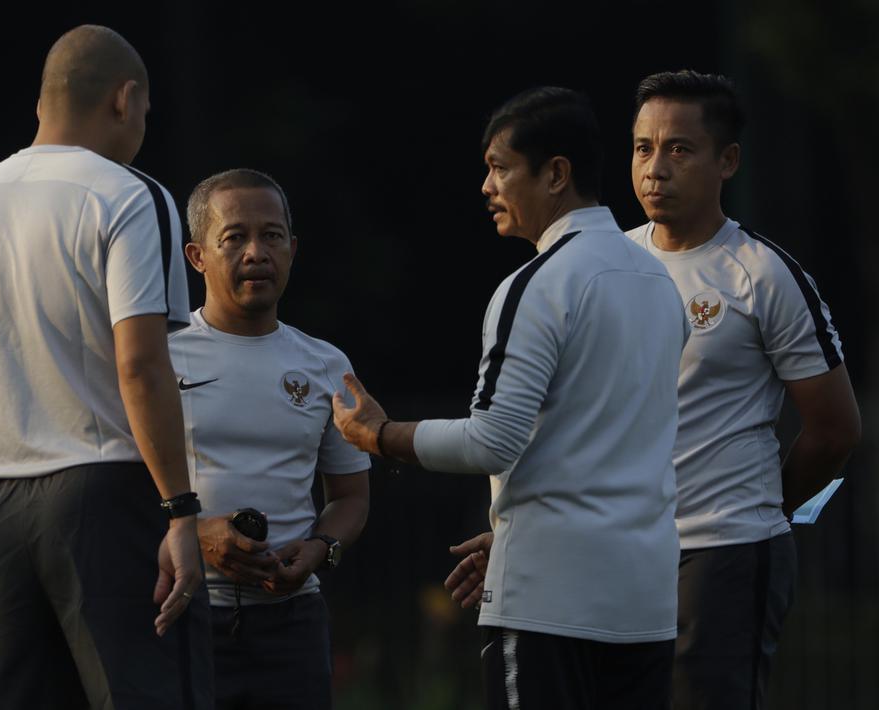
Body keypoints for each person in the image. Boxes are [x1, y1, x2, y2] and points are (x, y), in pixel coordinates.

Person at [332, 87, 688, 709]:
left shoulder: (538, 283)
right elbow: (614, 445)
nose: (486, 186)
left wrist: (379, 435)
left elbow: (491, 440)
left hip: (549, 601)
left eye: (500, 167)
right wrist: (511, 533)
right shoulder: (658, 280)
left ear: (556, 174)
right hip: (646, 602)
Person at [0, 25, 211, 709]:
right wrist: (179, 512)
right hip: (103, 493)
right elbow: (141, 365)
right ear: (124, 99)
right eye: (144, 112)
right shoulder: (130, 196)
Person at [626, 69, 861, 709]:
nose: (655, 169)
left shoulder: (763, 275)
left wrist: (761, 509)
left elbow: (836, 430)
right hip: (618, 547)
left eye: (679, 149)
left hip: (723, 551)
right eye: (643, 148)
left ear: (727, 161)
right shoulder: (606, 266)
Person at [171, 169, 371, 710]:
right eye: (234, 237)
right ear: (197, 256)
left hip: (292, 624)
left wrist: (320, 549)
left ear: (293, 248)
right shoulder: (158, 357)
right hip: (180, 612)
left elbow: (351, 498)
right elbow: (115, 490)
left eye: (272, 235)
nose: (256, 252)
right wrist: (194, 533)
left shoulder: (326, 364)